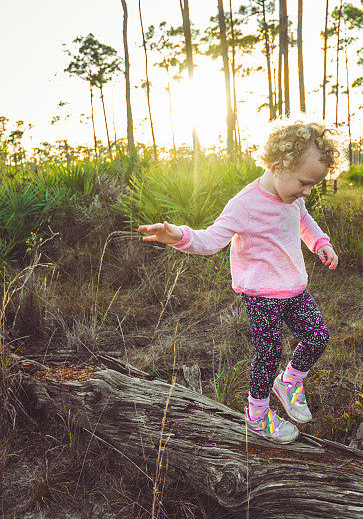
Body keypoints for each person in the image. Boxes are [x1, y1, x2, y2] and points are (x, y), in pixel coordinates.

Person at [138, 121, 340, 444]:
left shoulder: (294, 200)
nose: (307, 192)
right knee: (269, 352)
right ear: (278, 165)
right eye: (304, 183)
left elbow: (304, 220)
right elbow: (209, 240)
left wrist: (320, 243)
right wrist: (178, 235)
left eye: (312, 185)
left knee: (318, 336)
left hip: (293, 288)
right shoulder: (245, 204)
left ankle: (289, 382)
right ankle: (257, 415)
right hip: (261, 295)